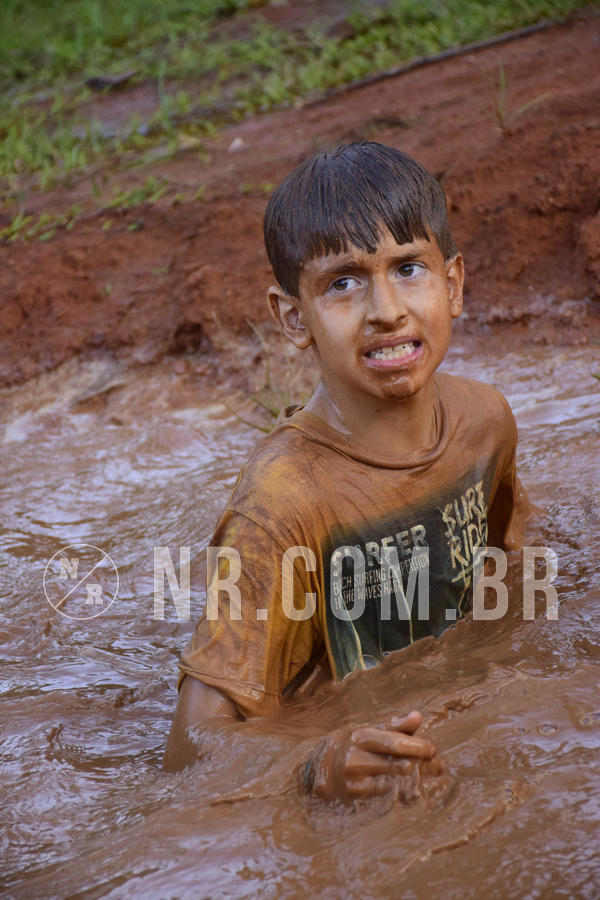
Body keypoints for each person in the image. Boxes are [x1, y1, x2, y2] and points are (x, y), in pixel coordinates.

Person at [163, 141, 529, 801]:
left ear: (454, 285)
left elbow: (509, 573)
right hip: (335, 752)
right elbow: (190, 746)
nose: (386, 309)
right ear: (291, 318)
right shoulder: (283, 504)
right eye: (343, 283)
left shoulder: (485, 423)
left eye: (409, 268)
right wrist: (317, 762)